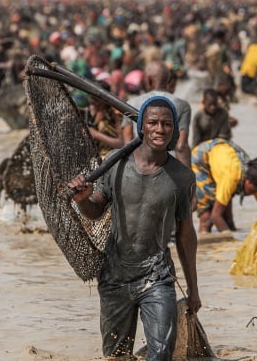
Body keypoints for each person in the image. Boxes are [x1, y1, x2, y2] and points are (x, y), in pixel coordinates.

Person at [67, 95, 200, 359]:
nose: (159, 129)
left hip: (157, 276)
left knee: (161, 352)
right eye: (153, 123)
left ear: (174, 129)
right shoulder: (116, 162)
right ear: (142, 127)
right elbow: (95, 210)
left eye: (166, 124)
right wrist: (82, 200)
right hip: (115, 276)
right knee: (117, 355)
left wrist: (194, 289)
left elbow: (186, 235)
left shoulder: (182, 177)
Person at [191, 139, 257, 233]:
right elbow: (215, 216)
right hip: (202, 160)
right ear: (248, 182)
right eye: (252, 191)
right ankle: (203, 243)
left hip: (224, 156)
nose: (253, 194)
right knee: (207, 217)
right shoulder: (231, 177)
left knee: (228, 219)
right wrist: (231, 242)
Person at [122, 61, 192, 167]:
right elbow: (181, 146)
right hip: (169, 168)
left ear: (149, 80)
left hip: (139, 165)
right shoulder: (182, 105)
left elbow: (128, 143)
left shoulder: (132, 103)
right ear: (168, 80)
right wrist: (188, 177)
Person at [239, 34, 257, 101]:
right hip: (252, 73)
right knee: (247, 89)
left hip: (244, 70)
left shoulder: (252, 46)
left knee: (244, 88)